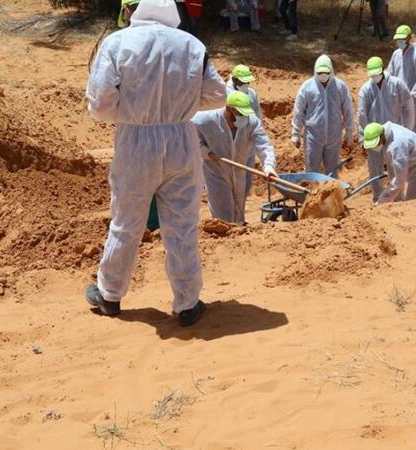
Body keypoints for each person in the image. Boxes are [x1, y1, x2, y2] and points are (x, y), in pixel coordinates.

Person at [85, 0, 226, 326]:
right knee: (182, 226)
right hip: (181, 141)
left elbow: (99, 104)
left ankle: (109, 295)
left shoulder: (117, 44)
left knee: (126, 221)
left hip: (135, 142)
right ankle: (187, 304)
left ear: (132, 9)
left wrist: (132, 113)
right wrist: (181, 106)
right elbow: (218, 95)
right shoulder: (192, 45)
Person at [194, 91, 277, 224]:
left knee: (239, 211)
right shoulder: (205, 120)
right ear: (228, 109)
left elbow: (264, 146)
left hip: (239, 173)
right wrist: (205, 152)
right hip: (216, 173)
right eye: (239, 113)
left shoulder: (251, 122)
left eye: (245, 113)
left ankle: (238, 233)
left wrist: (268, 166)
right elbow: (189, 136)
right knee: (223, 216)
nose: (243, 117)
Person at [358, 56, 415, 201]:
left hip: (392, 134)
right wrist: (363, 138)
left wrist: (407, 129)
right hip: (373, 136)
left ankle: (398, 197)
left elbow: (408, 106)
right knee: (375, 168)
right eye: (372, 74)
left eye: (377, 73)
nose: (375, 77)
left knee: (395, 168)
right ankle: (378, 197)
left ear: (383, 69)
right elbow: (362, 114)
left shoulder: (397, 84)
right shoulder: (366, 89)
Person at [291, 54, 355, 178]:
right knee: (311, 171)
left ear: (331, 71)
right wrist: (296, 133)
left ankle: (331, 190)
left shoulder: (340, 86)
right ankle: (312, 190)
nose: (323, 75)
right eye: (320, 73)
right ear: (315, 71)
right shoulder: (307, 87)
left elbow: (347, 109)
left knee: (332, 172)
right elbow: (299, 111)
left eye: (326, 73)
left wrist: (349, 131)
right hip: (313, 137)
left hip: (334, 137)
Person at [362, 121, 416, 203]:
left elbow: (400, 179)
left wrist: (383, 199)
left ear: (381, 135)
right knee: (412, 200)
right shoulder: (387, 135)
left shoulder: (396, 146)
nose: (375, 147)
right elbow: (393, 170)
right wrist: (397, 199)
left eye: (376, 143)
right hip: (414, 165)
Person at [226, 64, 264, 196]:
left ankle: (241, 205)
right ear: (234, 80)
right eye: (242, 82)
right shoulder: (225, 94)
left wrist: (258, 133)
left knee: (247, 180)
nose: (245, 85)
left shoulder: (252, 94)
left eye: (247, 82)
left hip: (248, 140)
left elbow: (258, 115)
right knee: (233, 181)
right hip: (232, 141)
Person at [387, 25, 416, 137]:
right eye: (398, 39)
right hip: (397, 96)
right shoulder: (396, 54)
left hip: (412, 97)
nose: (400, 41)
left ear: (409, 38)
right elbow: (389, 73)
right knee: (398, 124)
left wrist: (412, 94)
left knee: (414, 126)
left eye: (403, 39)